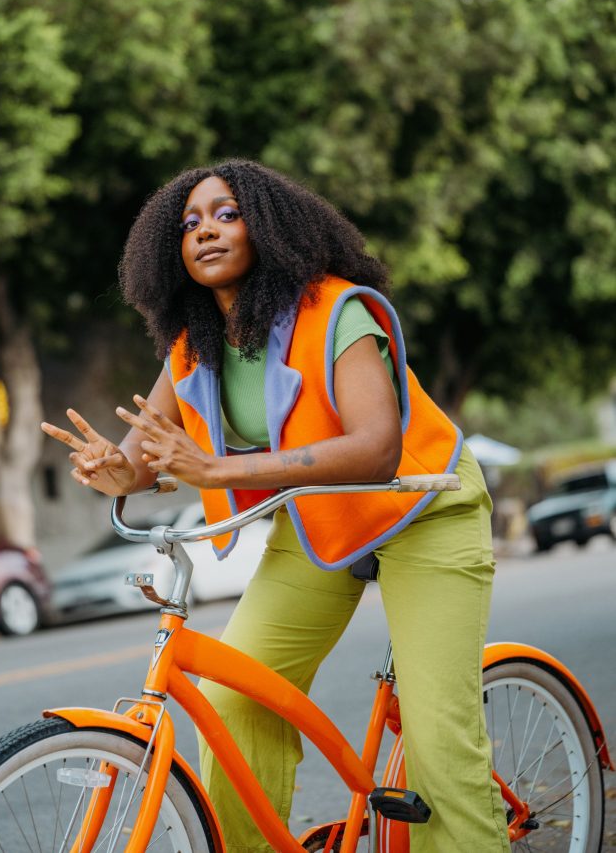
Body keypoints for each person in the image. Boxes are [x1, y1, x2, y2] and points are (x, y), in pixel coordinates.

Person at [41, 159, 511, 853]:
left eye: (226, 214)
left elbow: (377, 448)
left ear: (269, 227)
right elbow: (144, 459)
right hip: (321, 523)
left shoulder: (335, 309)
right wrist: (116, 473)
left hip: (422, 509)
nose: (205, 231)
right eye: (189, 223)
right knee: (234, 700)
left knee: (439, 737)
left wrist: (220, 465)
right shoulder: (192, 345)